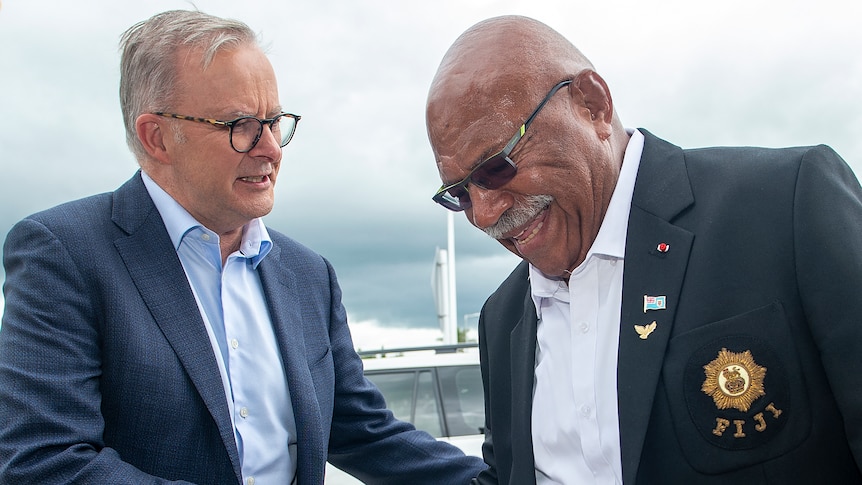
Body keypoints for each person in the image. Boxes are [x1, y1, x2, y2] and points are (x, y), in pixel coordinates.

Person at [0, 10, 486, 485]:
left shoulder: (309, 274)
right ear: (157, 137)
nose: (271, 147)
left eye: (275, 122)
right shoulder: (64, 253)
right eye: (241, 125)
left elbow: (365, 433)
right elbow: (44, 460)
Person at [425, 15, 862, 485]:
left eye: (496, 167)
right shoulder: (502, 316)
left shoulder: (786, 204)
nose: (485, 215)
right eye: (461, 194)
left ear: (592, 105)